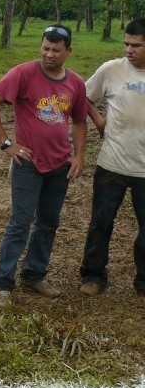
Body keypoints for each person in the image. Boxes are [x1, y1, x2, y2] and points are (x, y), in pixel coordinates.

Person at [0, 24, 87, 308]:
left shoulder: (75, 82)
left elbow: (79, 120)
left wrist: (79, 156)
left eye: (56, 50)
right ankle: (3, 283)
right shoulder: (23, 73)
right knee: (20, 222)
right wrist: (6, 144)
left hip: (59, 165)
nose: (49, 54)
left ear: (69, 52)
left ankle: (34, 274)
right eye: (45, 48)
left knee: (48, 222)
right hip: (28, 163)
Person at [79, 18, 145, 297]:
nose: (129, 50)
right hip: (112, 164)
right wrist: (99, 120)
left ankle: (143, 281)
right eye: (126, 44)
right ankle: (93, 275)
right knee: (101, 222)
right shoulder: (111, 70)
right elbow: (82, 96)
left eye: (137, 45)